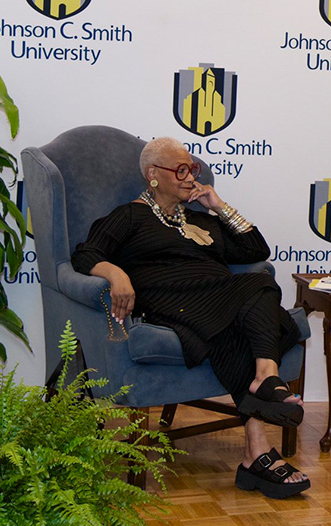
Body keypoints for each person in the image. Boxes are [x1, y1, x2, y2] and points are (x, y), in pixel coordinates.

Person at [71, 137, 310, 498]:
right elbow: (85, 255)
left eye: (192, 169)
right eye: (180, 169)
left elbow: (256, 249)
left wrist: (218, 205)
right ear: (153, 174)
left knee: (234, 330)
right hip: (172, 302)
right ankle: (265, 382)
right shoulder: (129, 216)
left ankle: (255, 452)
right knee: (258, 289)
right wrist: (117, 275)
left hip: (217, 302)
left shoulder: (202, 218)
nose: (189, 176)